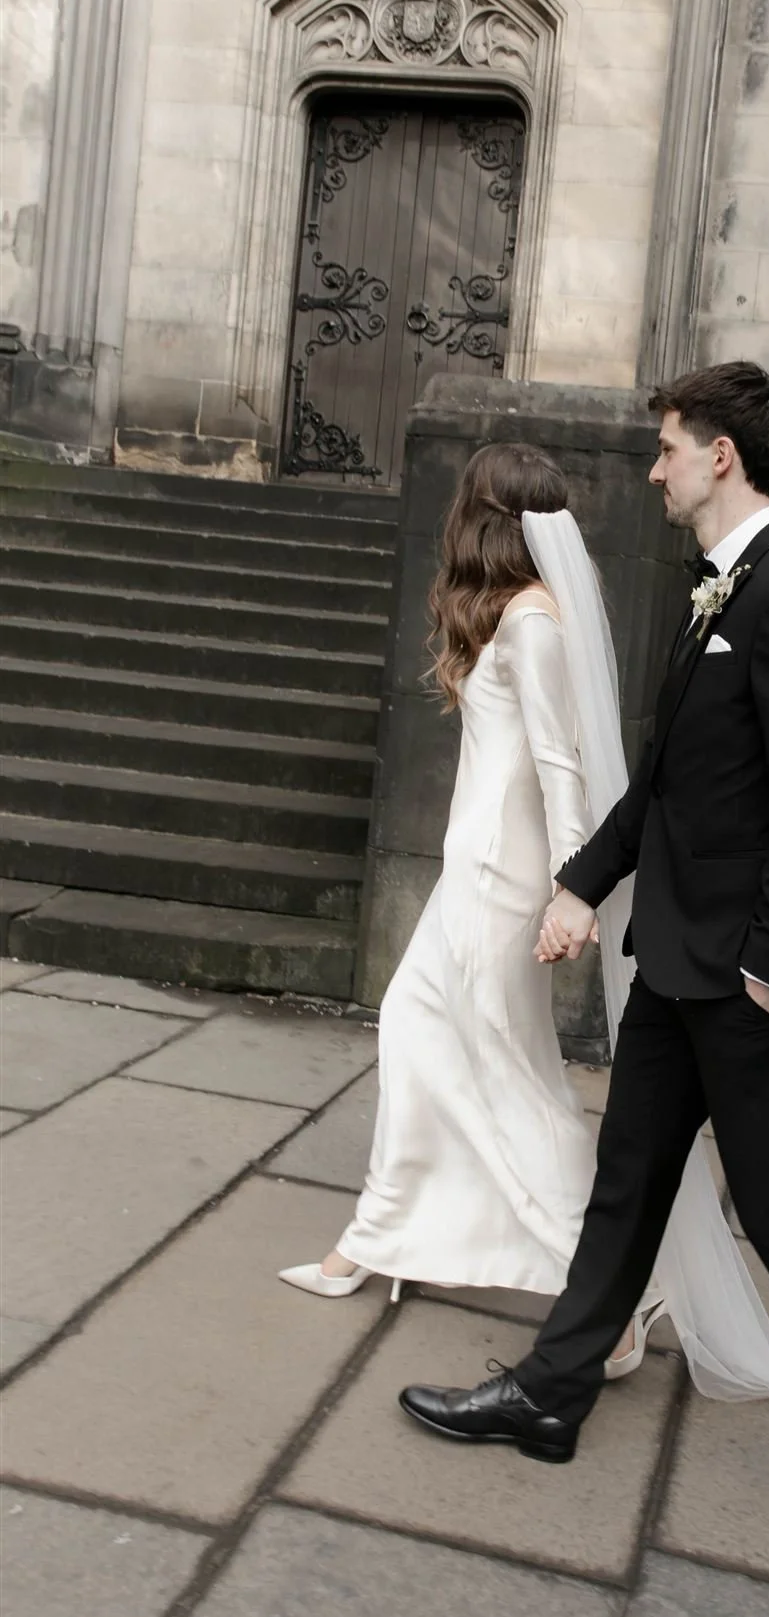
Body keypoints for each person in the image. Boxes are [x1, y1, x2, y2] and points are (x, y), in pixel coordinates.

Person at [397, 362, 769, 1604]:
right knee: (628, 1174)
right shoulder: (718, 595)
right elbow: (664, 785)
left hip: (748, 977)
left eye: (666, 448)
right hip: (678, 959)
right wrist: (583, 884)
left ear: (720, 459)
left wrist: (763, 971)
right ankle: (549, 1392)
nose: (651, 469)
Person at [276, 443, 654, 1377]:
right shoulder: (513, 616)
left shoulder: (532, 624)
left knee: (510, 1074)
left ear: (483, 515)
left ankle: (620, 1291)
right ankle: (380, 1235)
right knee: (423, 1033)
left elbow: (563, 765)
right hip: (474, 870)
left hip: (499, 879)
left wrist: (577, 889)